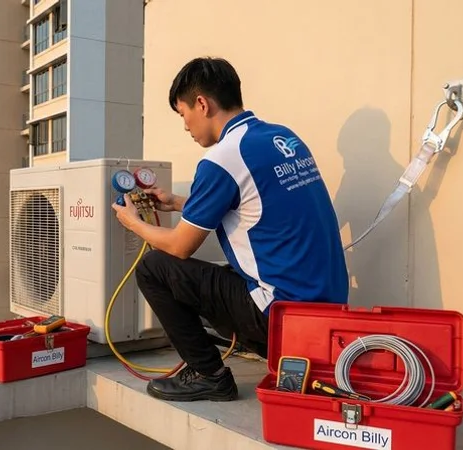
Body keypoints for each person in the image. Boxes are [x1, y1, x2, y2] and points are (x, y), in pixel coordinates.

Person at [111, 57, 349, 402]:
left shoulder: (221, 158)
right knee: (223, 273)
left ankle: (209, 375)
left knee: (154, 268)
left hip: (280, 318)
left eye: (183, 115)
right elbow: (255, 203)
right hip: (328, 313)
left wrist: (132, 221)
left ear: (203, 104)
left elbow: (180, 247)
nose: (186, 127)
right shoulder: (281, 138)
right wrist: (178, 202)